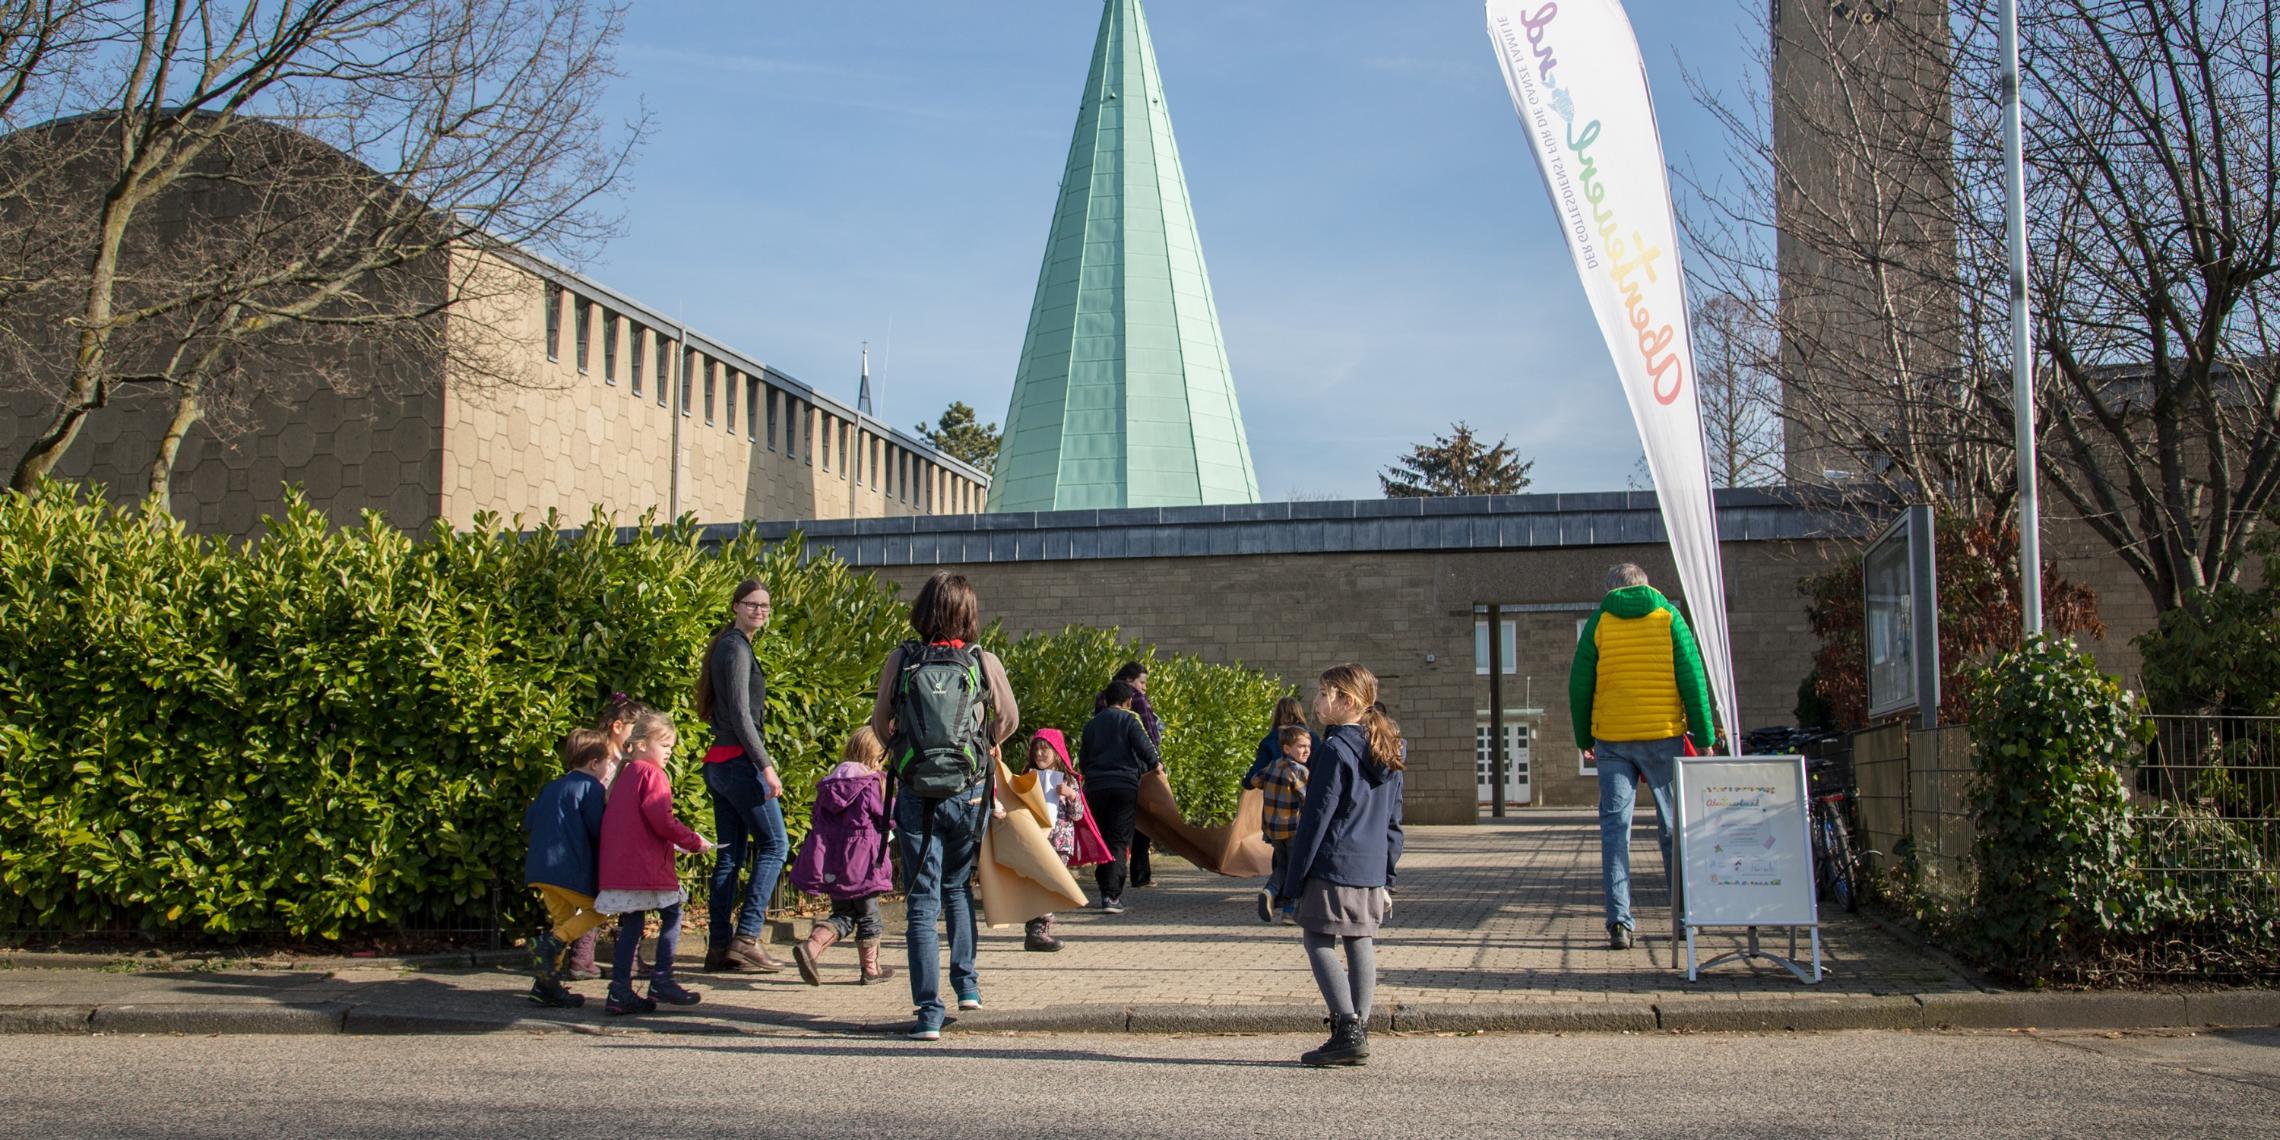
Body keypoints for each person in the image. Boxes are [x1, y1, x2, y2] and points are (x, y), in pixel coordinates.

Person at [870, 570, 1019, 1042]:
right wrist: (982, 745)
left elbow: (879, 721)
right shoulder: (981, 659)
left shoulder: (902, 658)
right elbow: (1009, 718)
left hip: (917, 791)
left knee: (921, 899)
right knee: (957, 888)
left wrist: (905, 754)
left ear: (923, 610)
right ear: (969, 613)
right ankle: (967, 986)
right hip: (967, 790)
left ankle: (928, 1013)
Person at [1568, 562, 1716, 951]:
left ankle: (1620, 922)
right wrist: (1704, 736)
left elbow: (1580, 684)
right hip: (1662, 735)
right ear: (1646, 585)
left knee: (1615, 830)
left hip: (1612, 738)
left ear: (1610, 589)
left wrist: (1584, 736)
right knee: (1672, 827)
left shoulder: (1600, 621)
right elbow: (1692, 676)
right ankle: (1683, 918)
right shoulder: (1669, 616)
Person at [1282, 663, 1404, 1068]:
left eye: (1323, 694)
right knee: (1359, 940)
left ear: (1346, 701)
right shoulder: (1389, 747)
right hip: (1370, 867)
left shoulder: (1334, 750)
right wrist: (1387, 874)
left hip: (1333, 862)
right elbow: (1394, 821)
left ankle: (1347, 1028)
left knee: (1317, 939)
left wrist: (1293, 879)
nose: (1316, 701)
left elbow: (1316, 818)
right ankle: (1359, 1029)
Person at [594, 708, 715, 1015]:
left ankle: (619, 989)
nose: (669, 752)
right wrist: (693, 841)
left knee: (632, 924)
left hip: (621, 866)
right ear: (642, 744)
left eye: (671, 746)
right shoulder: (652, 774)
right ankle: (662, 978)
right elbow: (662, 820)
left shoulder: (624, 775)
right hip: (645, 866)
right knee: (673, 913)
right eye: (664, 745)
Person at [695, 578, 789, 974]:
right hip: (737, 764)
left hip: (721, 763)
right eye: (751, 603)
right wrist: (766, 765)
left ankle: (719, 947)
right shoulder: (735, 647)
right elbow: (740, 714)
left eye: (765, 605)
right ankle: (747, 938)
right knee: (776, 845)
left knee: (730, 856)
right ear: (735, 606)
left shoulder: (730, 646)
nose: (759, 610)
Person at [788, 727, 897, 986]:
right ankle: (871, 969)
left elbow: (818, 821)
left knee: (844, 915)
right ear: (878, 756)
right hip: (864, 861)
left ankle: (811, 947)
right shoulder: (872, 783)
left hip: (834, 860)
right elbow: (888, 817)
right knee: (869, 915)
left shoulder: (828, 784)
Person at [521, 727, 617, 1008]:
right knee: (599, 910)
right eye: (607, 762)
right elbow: (598, 829)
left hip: (541, 869)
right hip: (568, 869)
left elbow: (530, 820)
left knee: (563, 921)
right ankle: (549, 945)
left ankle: (546, 984)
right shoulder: (592, 789)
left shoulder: (552, 787)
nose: (608, 768)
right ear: (595, 763)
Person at [557, 694, 646, 984]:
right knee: (611, 898)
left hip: (600, 838)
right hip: (604, 838)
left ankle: (587, 959)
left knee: (601, 898)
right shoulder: (605, 763)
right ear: (618, 727)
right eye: (636, 729)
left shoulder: (606, 758)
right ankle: (601, 960)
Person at [1079, 679, 1160, 915]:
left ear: (1105, 700)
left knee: (1103, 838)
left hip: (1096, 787)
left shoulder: (1091, 725)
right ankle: (1111, 895)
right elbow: (1146, 749)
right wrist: (1157, 767)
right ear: (1128, 701)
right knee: (1118, 840)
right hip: (1123, 785)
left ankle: (1105, 886)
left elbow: (1084, 759)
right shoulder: (1129, 720)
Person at [1021, 728, 1087, 952]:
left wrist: (1071, 795)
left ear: (1057, 752)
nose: (1039, 754)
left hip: (1059, 843)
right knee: (1038, 883)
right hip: (1035, 840)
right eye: (1036, 749)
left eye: (1045, 749)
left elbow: (1077, 815)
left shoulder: (1068, 780)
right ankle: (1036, 928)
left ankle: (1037, 929)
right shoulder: (1028, 777)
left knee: (1051, 885)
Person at [1245, 723, 1312, 925]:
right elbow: (1307, 799)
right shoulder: (1299, 771)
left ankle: (1270, 890)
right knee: (1296, 870)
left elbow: (1255, 781)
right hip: (1293, 829)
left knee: (1283, 866)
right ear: (1287, 748)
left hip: (1273, 830)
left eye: (1308, 746)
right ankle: (1289, 911)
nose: (1307, 750)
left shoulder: (1273, 765)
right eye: (1301, 746)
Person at [1105, 661, 1164, 887]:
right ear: (1129, 682)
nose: (1144, 688)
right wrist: (1157, 762)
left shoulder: (1103, 698)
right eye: (1142, 682)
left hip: (1105, 771)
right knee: (1141, 823)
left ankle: (1109, 876)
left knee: (1111, 828)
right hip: (1133, 770)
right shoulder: (1136, 699)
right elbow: (1148, 735)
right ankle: (1138, 876)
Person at [1243, 696, 1314, 789]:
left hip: (1276, 792)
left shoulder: (1270, 740)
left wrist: (1249, 781)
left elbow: (1252, 779)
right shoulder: (1311, 737)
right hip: (1307, 791)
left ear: (1277, 715)